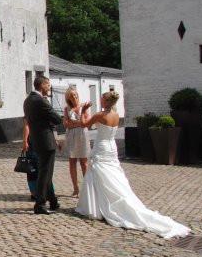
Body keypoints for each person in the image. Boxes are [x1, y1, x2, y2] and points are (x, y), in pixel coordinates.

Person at [75, 91, 190, 239]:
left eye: (102, 99)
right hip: (111, 146)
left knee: (99, 174)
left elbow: (84, 124)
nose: (100, 101)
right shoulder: (116, 115)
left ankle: (95, 207)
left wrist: (83, 111)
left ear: (106, 102)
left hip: (102, 147)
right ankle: (103, 203)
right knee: (111, 174)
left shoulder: (100, 115)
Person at [23, 75, 62, 214]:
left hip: (36, 140)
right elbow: (57, 119)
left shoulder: (27, 100)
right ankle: (40, 204)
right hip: (46, 141)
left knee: (46, 172)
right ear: (41, 85)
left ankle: (53, 201)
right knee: (45, 173)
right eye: (48, 84)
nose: (49, 87)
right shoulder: (41, 101)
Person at [63, 87, 90, 197]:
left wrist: (75, 123)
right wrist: (78, 123)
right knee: (72, 162)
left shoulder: (84, 106)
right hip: (71, 136)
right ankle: (76, 188)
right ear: (68, 98)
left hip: (82, 135)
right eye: (72, 95)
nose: (74, 97)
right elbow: (66, 124)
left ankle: (87, 188)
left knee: (84, 162)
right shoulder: (67, 109)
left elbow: (87, 122)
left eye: (76, 95)